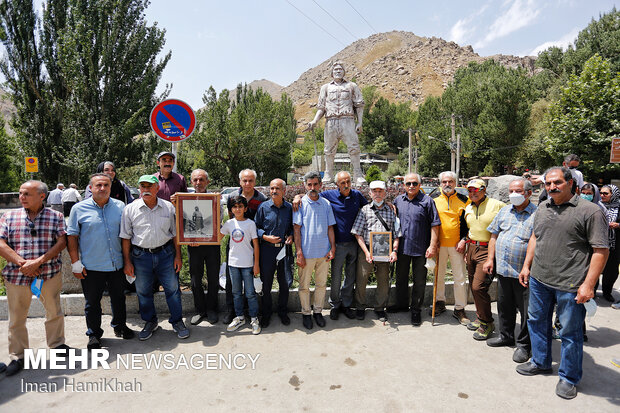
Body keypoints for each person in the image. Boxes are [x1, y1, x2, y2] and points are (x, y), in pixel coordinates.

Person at [516, 167, 609, 400]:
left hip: (570, 284)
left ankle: (569, 377)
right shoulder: (543, 207)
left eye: (557, 182)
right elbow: (536, 237)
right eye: (547, 183)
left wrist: (588, 285)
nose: (551, 187)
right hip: (539, 279)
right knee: (536, 322)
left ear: (570, 183)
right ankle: (540, 361)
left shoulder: (590, 211)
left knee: (569, 332)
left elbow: (600, 250)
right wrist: (527, 266)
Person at [0, 180, 69, 376]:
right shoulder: (9, 216)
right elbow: (1, 243)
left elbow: (62, 241)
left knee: (54, 310)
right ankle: (18, 356)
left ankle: (56, 345)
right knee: (16, 318)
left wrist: (39, 262)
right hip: (17, 276)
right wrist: (24, 264)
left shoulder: (55, 216)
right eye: (21, 193)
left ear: (42, 196)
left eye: (27, 194)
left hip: (47, 275)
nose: (22, 197)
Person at [67, 173, 134, 350]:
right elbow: (72, 236)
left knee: (119, 299)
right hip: (91, 267)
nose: (102, 188)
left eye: (106, 185)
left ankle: (120, 326)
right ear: (91, 188)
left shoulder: (120, 207)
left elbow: (126, 236)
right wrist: (75, 262)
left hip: (116, 265)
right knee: (92, 303)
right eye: (98, 185)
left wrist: (127, 262)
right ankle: (94, 333)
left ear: (111, 188)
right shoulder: (78, 209)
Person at [120, 175, 189, 341]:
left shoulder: (168, 207)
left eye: (150, 186)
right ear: (138, 189)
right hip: (140, 256)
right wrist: (127, 261)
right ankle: (150, 322)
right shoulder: (130, 209)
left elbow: (175, 235)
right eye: (142, 186)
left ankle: (177, 321)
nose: (146, 189)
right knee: (143, 291)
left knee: (172, 290)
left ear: (157, 188)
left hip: (166, 254)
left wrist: (178, 256)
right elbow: (125, 237)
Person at [293, 171, 368, 320]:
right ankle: (334, 305)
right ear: (336, 185)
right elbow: (311, 194)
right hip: (336, 245)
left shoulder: (356, 196)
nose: (346, 185)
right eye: (342, 183)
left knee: (350, 276)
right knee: (335, 276)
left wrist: (389, 204)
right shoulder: (329, 197)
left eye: (348, 182)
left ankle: (345, 305)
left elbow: (370, 208)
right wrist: (297, 196)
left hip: (353, 243)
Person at [483, 178, 536, 363]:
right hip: (504, 270)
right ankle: (506, 336)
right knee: (504, 306)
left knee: (526, 311)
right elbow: (494, 235)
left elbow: (536, 242)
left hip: (524, 273)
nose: (513, 194)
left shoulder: (537, 215)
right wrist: (490, 259)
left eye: (518, 191)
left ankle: (524, 345)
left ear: (529, 193)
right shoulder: (505, 211)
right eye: (511, 191)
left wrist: (527, 267)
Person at [173, 169, 223, 326]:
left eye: (201, 180)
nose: (198, 183)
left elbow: (217, 220)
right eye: (195, 180)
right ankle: (200, 310)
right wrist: (189, 236)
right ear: (191, 182)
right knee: (195, 280)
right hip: (193, 245)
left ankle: (212, 309)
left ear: (207, 182)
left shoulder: (215, 199)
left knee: (213, 278)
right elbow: (181, 221)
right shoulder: (183, 199)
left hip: (211, 245)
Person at [392, 173, 441, 326]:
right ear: (403, 185)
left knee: (419, 281)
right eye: (408, 184)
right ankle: (401, 305)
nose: (411, 186)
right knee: (401, 279)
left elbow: (435, 225)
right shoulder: (398, 200)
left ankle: (416, 310)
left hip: (421, 248)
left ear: (419, 185)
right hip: (402, 248)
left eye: (414, 183)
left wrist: (433, 245)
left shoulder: (428, 202)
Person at [460, 178, 505, 340]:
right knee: (474, 287)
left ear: (484, 190)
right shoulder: (469, 207)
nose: (472, 193)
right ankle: (480, 317)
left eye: (476, 190)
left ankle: (487, 322)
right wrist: (466, 244)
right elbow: (471, 229)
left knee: (479, 287)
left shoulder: (497, 205)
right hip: (471, 248)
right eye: (469, 190)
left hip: (488, 249)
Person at [307, 61, 365, 184]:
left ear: (344, 72)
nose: (338, 71)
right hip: (331, 121)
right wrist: (314, 121)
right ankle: (328, 175)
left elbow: (359, 105)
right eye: (335, 70)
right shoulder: (325, 88)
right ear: (331, 73)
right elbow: (321, 107)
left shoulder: (352, 86)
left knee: (354, 148)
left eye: (340, 69)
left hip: (348, 120)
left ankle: (358, 175)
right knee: (328, 149)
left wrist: (359, 123)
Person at [222, 169, 267, 325]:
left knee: (250, 287)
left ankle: (252, 315)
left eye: (251, 181)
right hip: (235, 243)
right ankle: (233, 312)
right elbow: (228, 220)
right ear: (240, 181)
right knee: (232, 285)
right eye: (245, 181)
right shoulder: (232, 195)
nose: (247, 184)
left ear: (254, 182)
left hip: (252, 244)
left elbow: (263, 221)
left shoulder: (261, 198)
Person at [351, 180, 400, 321]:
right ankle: (360, 307)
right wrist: (366, 252)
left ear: (385, 193)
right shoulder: (364, 210)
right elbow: (357, 233)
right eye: (375, 191)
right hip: (367, 249)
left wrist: (394, 251)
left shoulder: (391, 211)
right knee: (361, 279)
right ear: (370, 193)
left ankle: (380, 308)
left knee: (383, 281)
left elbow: (397, 234)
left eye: (380, 191)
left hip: (385, 251)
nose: (377, 194)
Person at [293, 171, 336, 330]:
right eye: (309, 184)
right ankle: (306, 313)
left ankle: (318, 312)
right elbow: (296, 229)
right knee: (304, 286)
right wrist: (299, 252)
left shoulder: (326, 204)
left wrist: (333, 247)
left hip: (323, 253)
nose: (312, 187)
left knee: (321, 285)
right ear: (305, 185)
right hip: (306, 253)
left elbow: (330, 227)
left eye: (315, 184)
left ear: (320, 185)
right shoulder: (300, 204)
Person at [430, 171, 470, 325]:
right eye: (444, 182)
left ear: (455, 183)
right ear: (440, 183)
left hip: (457, 246)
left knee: (459, 277)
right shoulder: (432, 200)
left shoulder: (463, 200)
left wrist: (464, 240)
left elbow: (469, 223)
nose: (447, 184)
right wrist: (432, 243)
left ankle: (459, 308)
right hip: (438, 246)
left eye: (450, 182)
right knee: (438, 276)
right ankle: (439, 302)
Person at [254, 178, 293, 328]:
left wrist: (290, 236)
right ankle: (266, 314)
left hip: (284, 250)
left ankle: (283, 312)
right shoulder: (263, 207)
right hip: (267, 251)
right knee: (266, 285)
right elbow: (255, 227)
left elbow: (292, 227)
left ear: (284, 191)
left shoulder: (289, 208)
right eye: (271, 188)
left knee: (284, 283)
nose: (274, 191)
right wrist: (265, 236)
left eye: (277, 188)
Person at [221, 196, 261, 335]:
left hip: (248, 264)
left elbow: (256, 245)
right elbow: (217, 238)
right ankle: (239, 317)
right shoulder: (229, 223)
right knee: (236, 293)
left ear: (245, 208)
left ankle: (254, 318)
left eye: (240, 207)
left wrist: (256, 264)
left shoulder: (250, 224)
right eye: (234, 207)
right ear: (231, 209)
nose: (237, 209)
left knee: (250, 293)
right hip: (233, 264)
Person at [600, 184, 619, 303]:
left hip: (614, 244)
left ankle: (607, 292)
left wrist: (618, 225)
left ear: (614, 195)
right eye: (601, 193)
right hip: (597, 241)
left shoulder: (619, 206)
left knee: (611, 270)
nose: (602, 195)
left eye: (605, 193)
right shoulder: (597, 205)